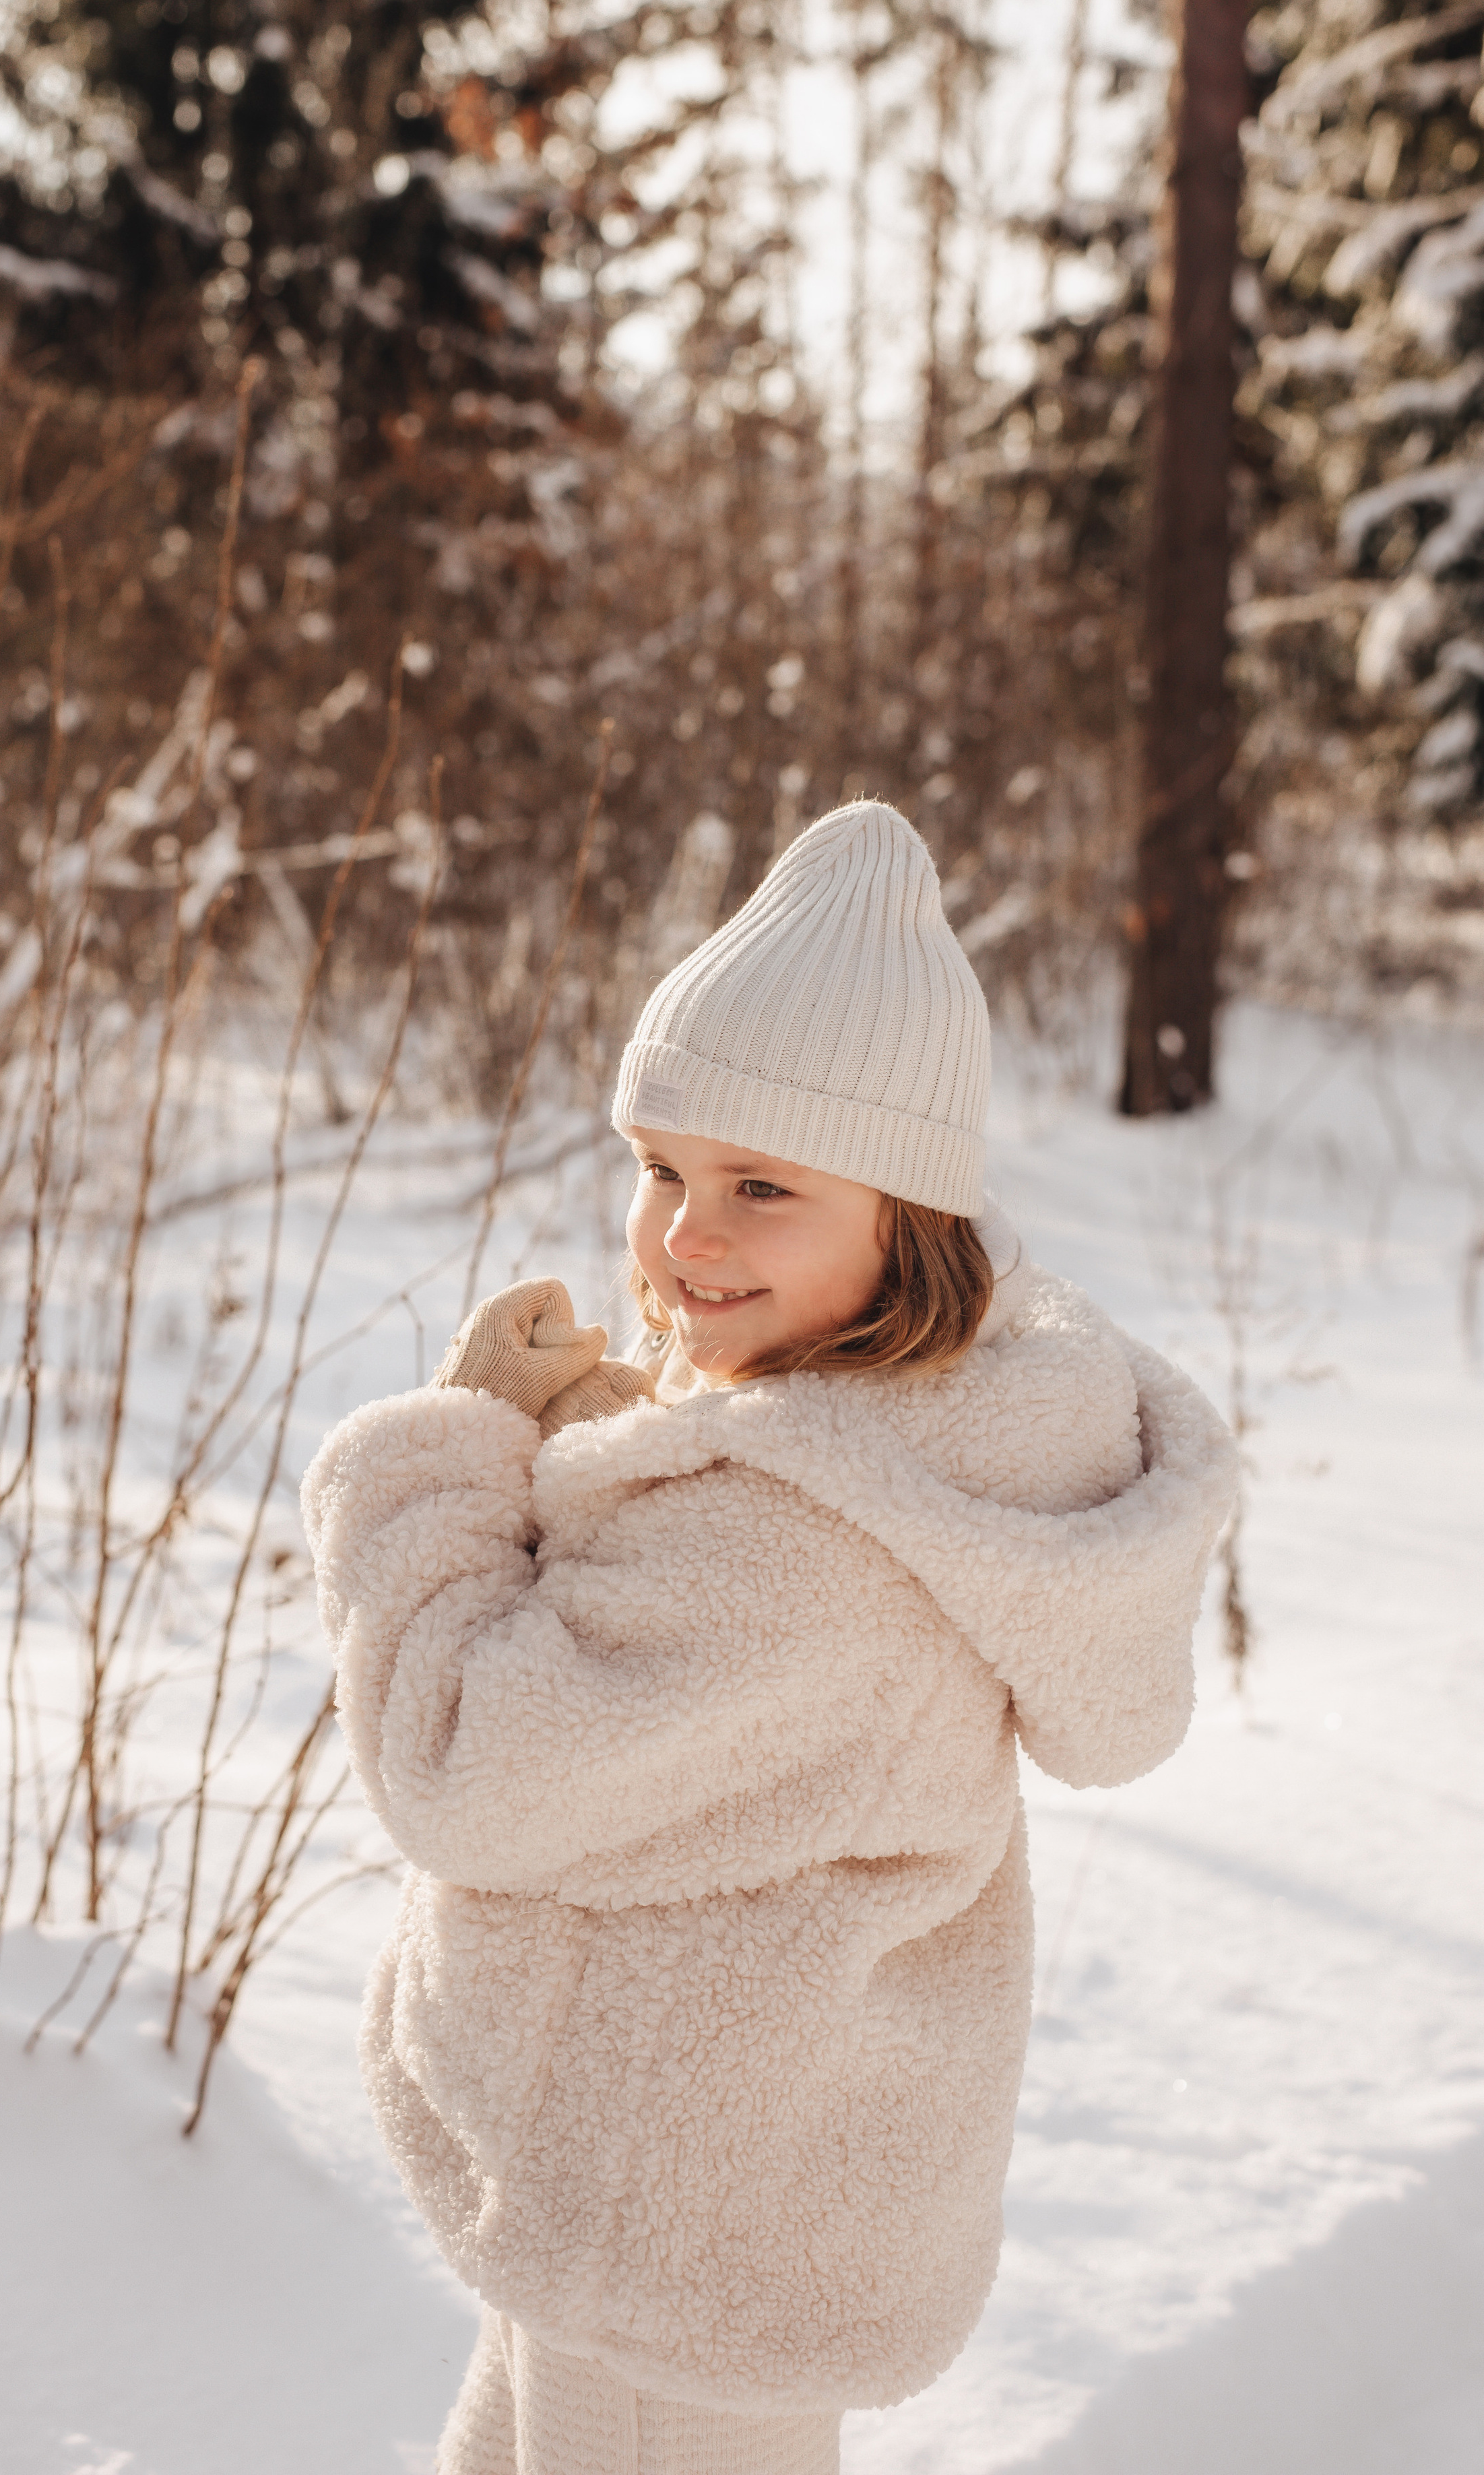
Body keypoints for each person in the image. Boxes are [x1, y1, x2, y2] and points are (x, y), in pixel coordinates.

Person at [301, 802, 1237, 2475]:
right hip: (710, 2210)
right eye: (660, 1169)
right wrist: (603, 1449)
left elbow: (466, 1766)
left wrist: (449, 1458)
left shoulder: (798, 1540)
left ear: (907, 1218)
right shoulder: (906, 1438)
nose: (686, 1236)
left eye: (761, 1186)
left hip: (671, 2239)